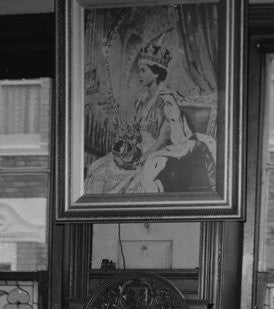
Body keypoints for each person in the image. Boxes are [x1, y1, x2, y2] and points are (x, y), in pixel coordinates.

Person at [84, 41, 216, 196]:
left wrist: (141, 159)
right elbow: (136, 130)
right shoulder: (142, 100)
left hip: (157, 153)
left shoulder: (167, 101)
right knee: (96, 169)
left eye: (143, 70)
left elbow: (163, 141)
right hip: (137, 151)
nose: (139, 74)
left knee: (135, 179)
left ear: (156, 73)